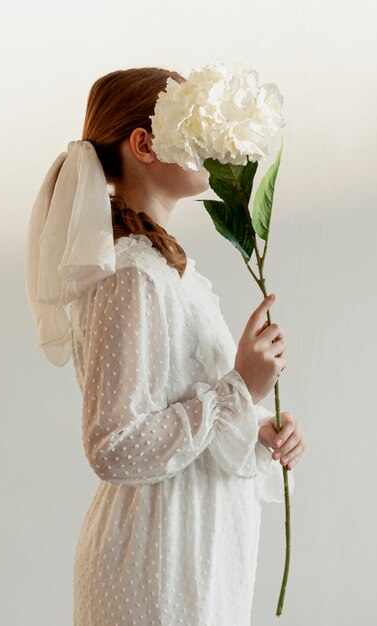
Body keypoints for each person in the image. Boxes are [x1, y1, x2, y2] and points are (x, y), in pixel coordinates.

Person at [26, 67, 306, 626]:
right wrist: (238, 389)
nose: (210, 145)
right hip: (155, 567)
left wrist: (255, 431)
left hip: (186, 558)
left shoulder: (164, 272)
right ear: (145, 144)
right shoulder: (131, 276)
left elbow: (180, 422)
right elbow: (112, 444)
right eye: (191, 126)